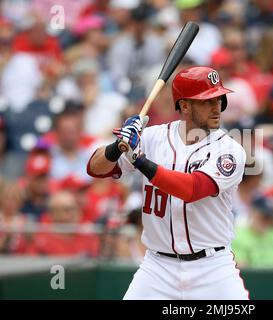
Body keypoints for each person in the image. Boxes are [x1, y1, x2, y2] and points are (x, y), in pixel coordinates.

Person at [87, 66, 249, 299]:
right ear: (184, 106)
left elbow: (192, 188)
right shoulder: (153, 137)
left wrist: (140, 161)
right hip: (157, 267)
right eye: (207, 101)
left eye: (219, 99)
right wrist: (118, 145)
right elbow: (95, 168)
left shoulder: (230, 149)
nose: (217, 107)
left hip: (212, 268)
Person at [232, 194, 273, 268]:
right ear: (252, 212)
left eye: (269, 217)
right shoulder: (238, 235)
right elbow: (241, 267)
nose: (266, 220)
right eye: (262, 216)